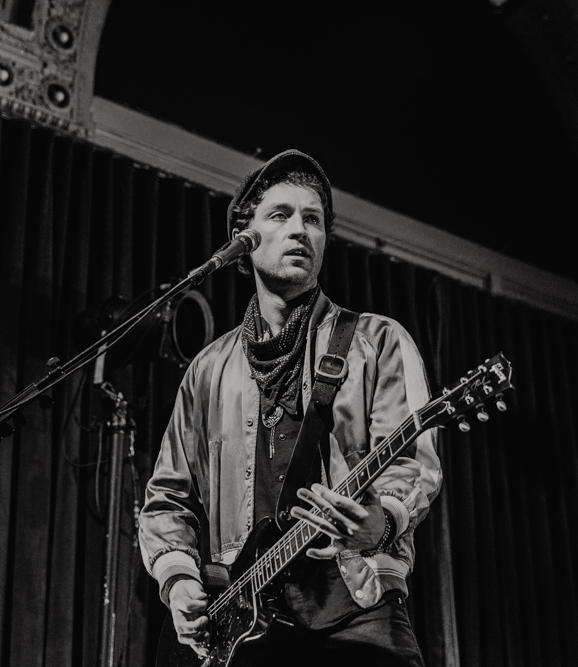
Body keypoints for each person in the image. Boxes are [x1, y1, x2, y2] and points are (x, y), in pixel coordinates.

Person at [138, 149, 442, 666]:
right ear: (244, 236)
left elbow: (412, 464)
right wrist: (180, 580)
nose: (299, 229)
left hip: (358, 606)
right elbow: (169, 497)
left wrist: (381, 522)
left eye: (314, 219)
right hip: (244, 625)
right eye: (280, 215)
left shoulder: (376, 340)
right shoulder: (209, 369)